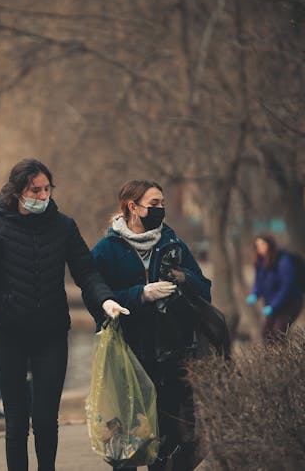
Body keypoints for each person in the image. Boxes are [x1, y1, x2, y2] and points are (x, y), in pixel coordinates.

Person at [0, 158, 128, 471]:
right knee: (15, 420)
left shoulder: (64, 226)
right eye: (35, 190)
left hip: (50, 336)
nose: (42, 196)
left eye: (46, 189)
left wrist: (105, 300)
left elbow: (87, 273)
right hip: (9, 335)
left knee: (44, 418)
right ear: (17, 193)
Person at [88, 180, 212, 471]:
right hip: (127, 356)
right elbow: (96, 300)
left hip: (171, 353)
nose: (160, 209)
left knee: (169, 439)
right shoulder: (106, 250)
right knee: (126, 439)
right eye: (154, 204)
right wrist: (140, 295)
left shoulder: (172, 243)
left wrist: (186, 279)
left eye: (162, 204)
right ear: (133, 207)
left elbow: (205, 290)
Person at [245, 234, 304, 344]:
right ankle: (270, 359)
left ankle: (284, 358)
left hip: (290, 303)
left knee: (278, 333)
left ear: (270, 245)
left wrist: (273, 306)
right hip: (273, 304)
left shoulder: (283, 261)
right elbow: (259, 283)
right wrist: (254, 294)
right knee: (266, 333)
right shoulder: (260, 262)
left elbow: (287, 287)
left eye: (262, 244)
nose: (259, 248)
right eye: (257, 245)